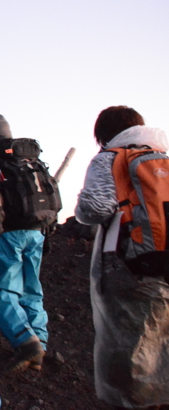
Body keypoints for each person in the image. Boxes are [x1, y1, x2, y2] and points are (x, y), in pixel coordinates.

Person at [75, 106, 169, 410]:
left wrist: (79, 210)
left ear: (103, 134)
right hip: (165, 265)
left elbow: (95, 208)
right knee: (161, 347)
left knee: (131, 355)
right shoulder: (164, 157)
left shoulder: (112, 157)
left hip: (131, 266)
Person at [0, 115, 48, 374]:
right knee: (32, 288)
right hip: (38, 230)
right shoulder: (28, 156)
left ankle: (25, 341)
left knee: (2, 291)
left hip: (9, 232)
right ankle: (39, 343)